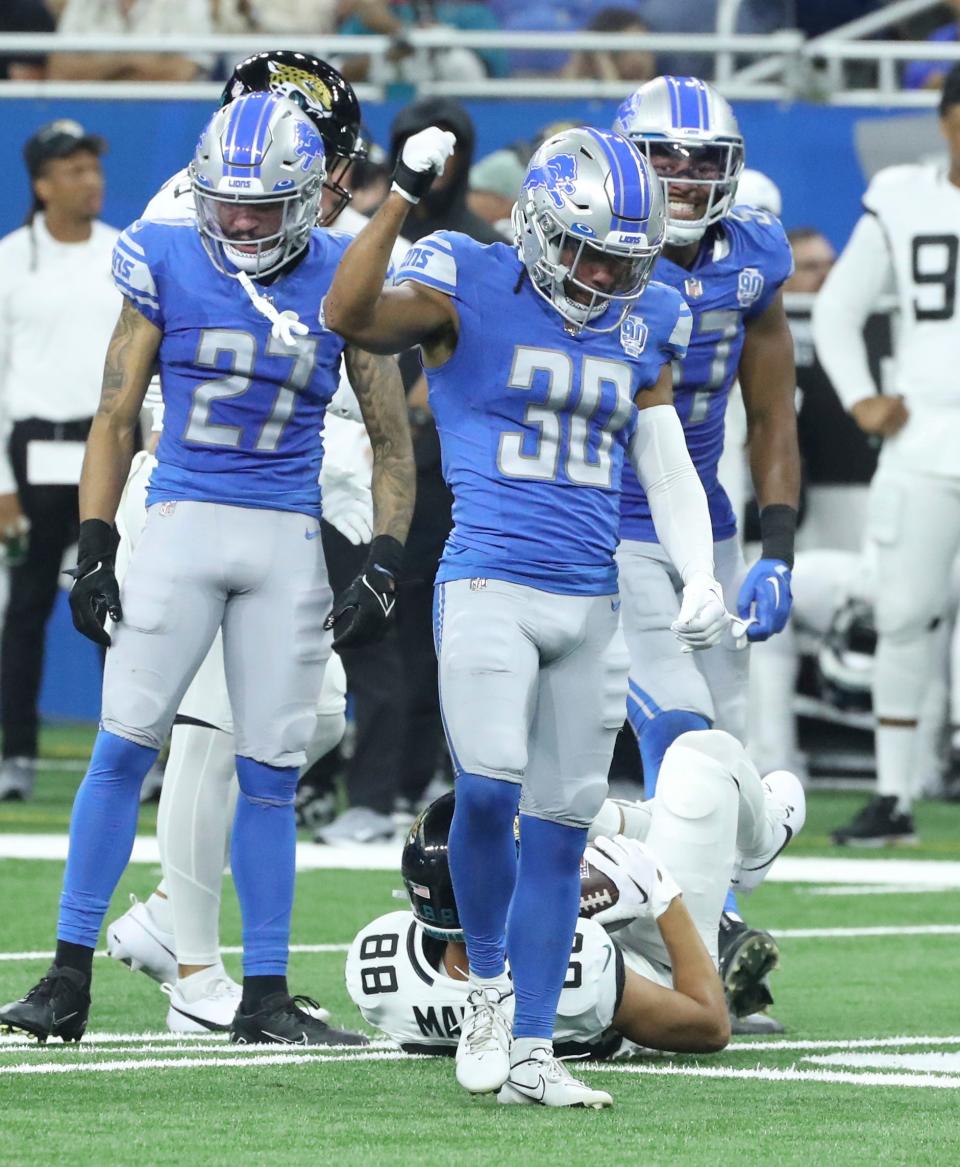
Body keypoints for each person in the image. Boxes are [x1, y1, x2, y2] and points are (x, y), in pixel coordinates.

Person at [324, 123, 729, 1107]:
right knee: (492, 796)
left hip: (592, 603)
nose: (601, 275)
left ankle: (539, 1051)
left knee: (558, 831)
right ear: (543, 227)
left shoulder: (644, 316)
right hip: (491, 584)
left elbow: (663, 458)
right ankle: (492, 991)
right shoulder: (469, 277)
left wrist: (699, 571)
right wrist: (402, 203)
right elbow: (349, 313)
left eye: (622, 259)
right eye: (588, 249)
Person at [0, 90, 416, 1046]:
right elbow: (115, 412)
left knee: (269, 771)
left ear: (310, 196)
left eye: (260, 206)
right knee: (121, 748)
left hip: (285, 537)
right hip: (182, 522)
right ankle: (66, 977)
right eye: (226, 201)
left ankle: (263, 993)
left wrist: (387, 558)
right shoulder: (166, 251)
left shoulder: (346, 280)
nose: (237, 222)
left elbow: (393, 441)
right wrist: (97, 539)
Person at [612, 76, 798, 1020]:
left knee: (723, 760)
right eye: (664, 157)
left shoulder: (754, 255)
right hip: (603, 521)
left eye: (703, 161)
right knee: (680, 736)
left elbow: (771, 410)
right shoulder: (592, 239)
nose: (684, 176)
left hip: (707, 534)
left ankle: (713, 921)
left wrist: (779, 543)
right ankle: (698, 946)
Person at [347, 730, 805, 1064]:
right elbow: (709, 1025)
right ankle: (754, 846)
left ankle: (657, 826)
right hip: (658, 966)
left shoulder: (385, 972)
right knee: (703, 757)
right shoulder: (582, 971)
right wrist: (664, 896)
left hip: (558, 943)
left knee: (536, 800)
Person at [812, 64, 960, 846]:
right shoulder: (906, 196)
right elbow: (837, 309)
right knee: (903, 616)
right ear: (947, 120)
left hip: (928, 439)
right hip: (925, 437)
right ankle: (895, 794)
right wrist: (862, 395)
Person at [0, 119, 118, 802]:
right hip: (30, 455)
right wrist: (3, 483)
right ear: (42, 185)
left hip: (106, 450)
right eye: (73, 170)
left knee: (114, 608)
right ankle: (15, 751)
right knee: (24, 614)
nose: (91, 180)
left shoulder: (122, 253)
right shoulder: (11, 259)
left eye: (94, 168)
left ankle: (128, 755)